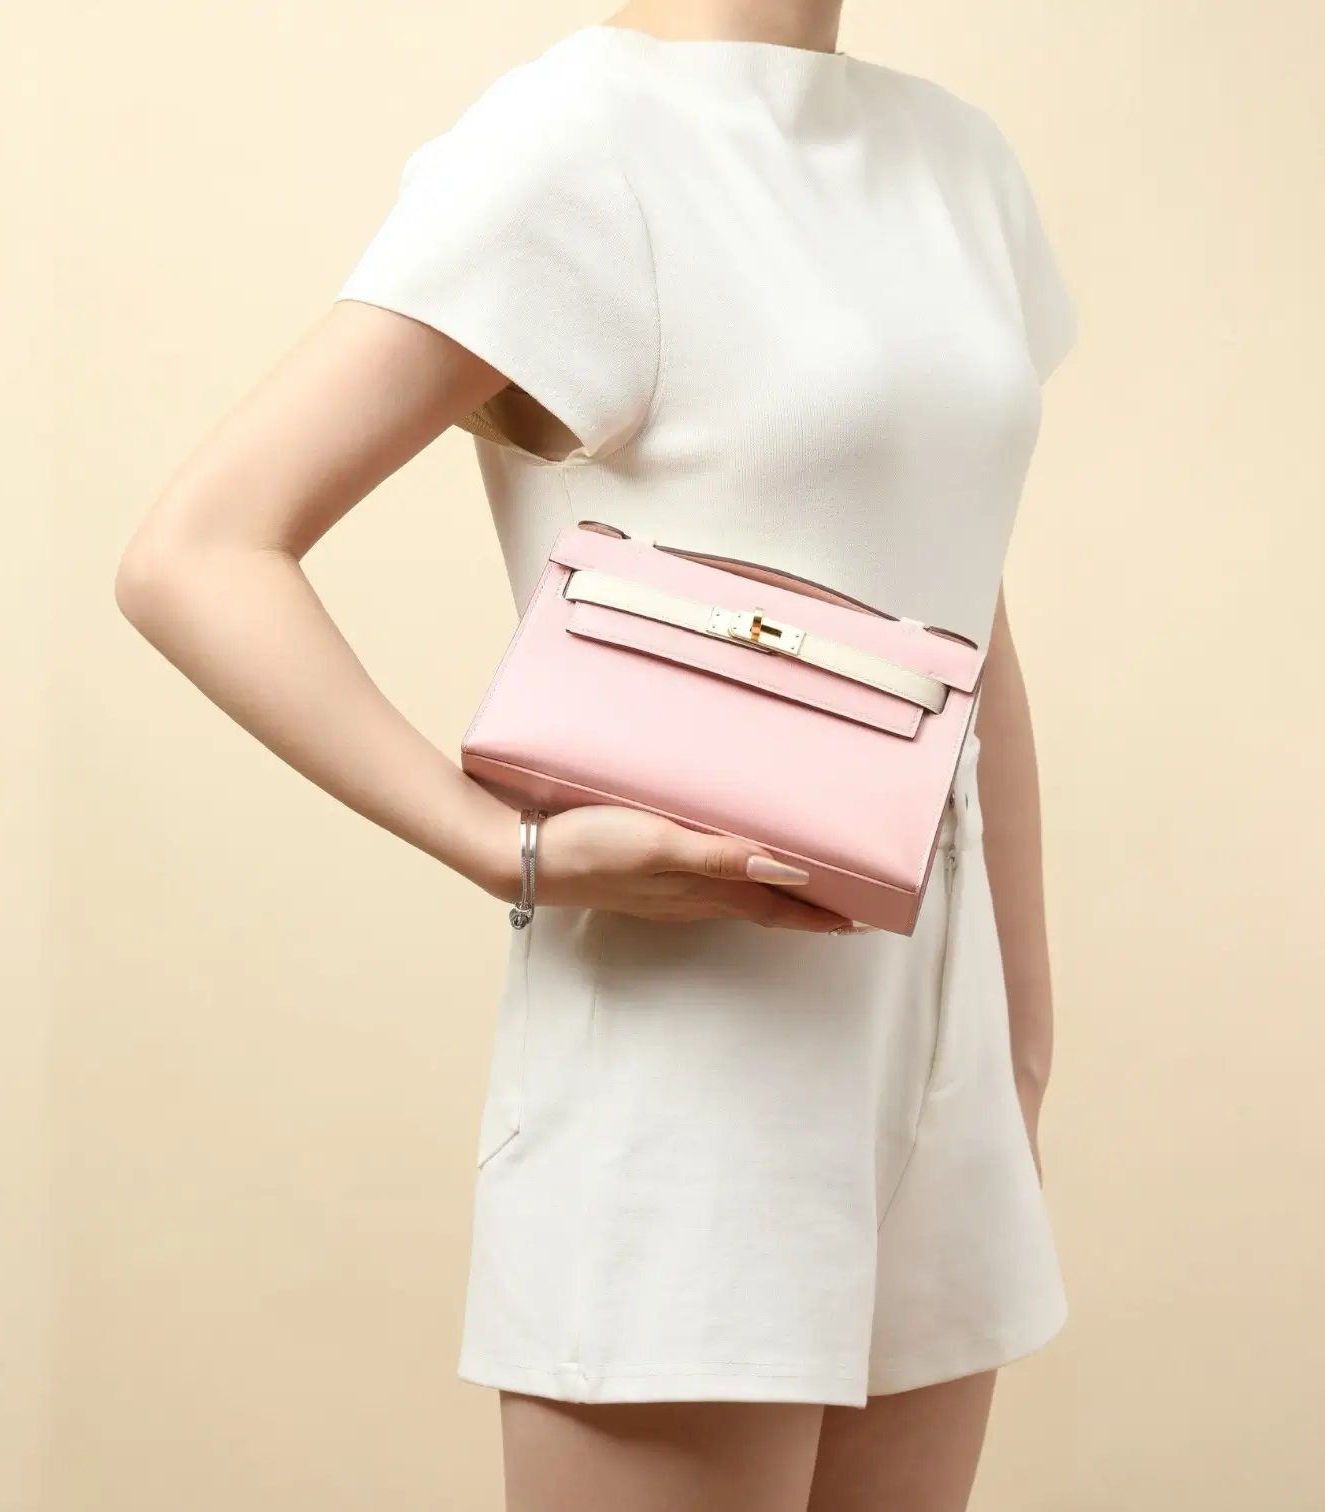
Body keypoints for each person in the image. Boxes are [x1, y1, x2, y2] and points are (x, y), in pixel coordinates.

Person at [115, 1, 1077, 1507]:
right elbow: (198, 552)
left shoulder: (958, 159)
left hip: (941, 1057)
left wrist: (1020, 1042)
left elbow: (969, 621)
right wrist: (506, 848)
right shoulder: (575, 143)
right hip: (695, 1053)